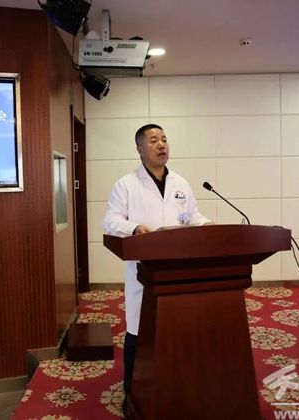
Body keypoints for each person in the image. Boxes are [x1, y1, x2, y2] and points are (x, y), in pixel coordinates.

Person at [102, 123, 210, 410]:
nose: (161, 144)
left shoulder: (181, 183)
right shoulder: (126, 185)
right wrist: (135, 227)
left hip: (178, 273)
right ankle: (132, 392)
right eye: (153, 140)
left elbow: (192, 217)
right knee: (139, 333)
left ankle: (177, 386)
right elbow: (110, 221)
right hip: (144, 274)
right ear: (140, 149)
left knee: (176, 332)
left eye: (164, 139)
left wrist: (207, 226)